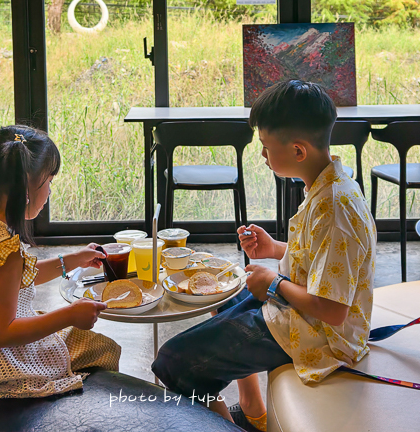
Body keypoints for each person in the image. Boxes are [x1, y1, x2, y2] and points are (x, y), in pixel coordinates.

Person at [152, 80, 377, 431]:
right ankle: (254, 411)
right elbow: (323, 260)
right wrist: (274, 250)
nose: (262, 156)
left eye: (266, 147)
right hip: (300, 312)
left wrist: (273, 283)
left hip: (320, 336)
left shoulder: (335, 208)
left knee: (172, 363)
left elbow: (333, 310)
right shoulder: (328, 185)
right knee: (226, 293)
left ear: (298, 151)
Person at [0, 125, 121, 399]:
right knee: (103, 347)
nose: (51, 192)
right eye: (49, 181)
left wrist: (74, 260)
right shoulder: (4, 248)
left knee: (56, 327)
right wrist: (70, 314)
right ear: (25, 189)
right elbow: (2, 333)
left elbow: (13, 278)